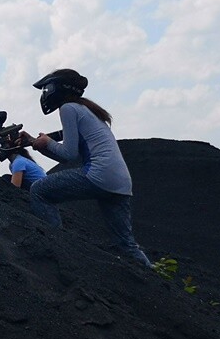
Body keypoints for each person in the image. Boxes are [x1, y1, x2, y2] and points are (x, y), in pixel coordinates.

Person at [18, 69, 152, 268]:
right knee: (126, 244)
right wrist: (35, 142)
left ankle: (58, 250)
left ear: (59, 88)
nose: (46, 93)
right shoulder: (87, 110)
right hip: (120, 182)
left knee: (38, 190)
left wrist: (46, 143)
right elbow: (65, 152)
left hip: (98, 175)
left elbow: (68, 155)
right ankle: (159, 281)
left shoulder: (69, 109)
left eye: (48, 88)